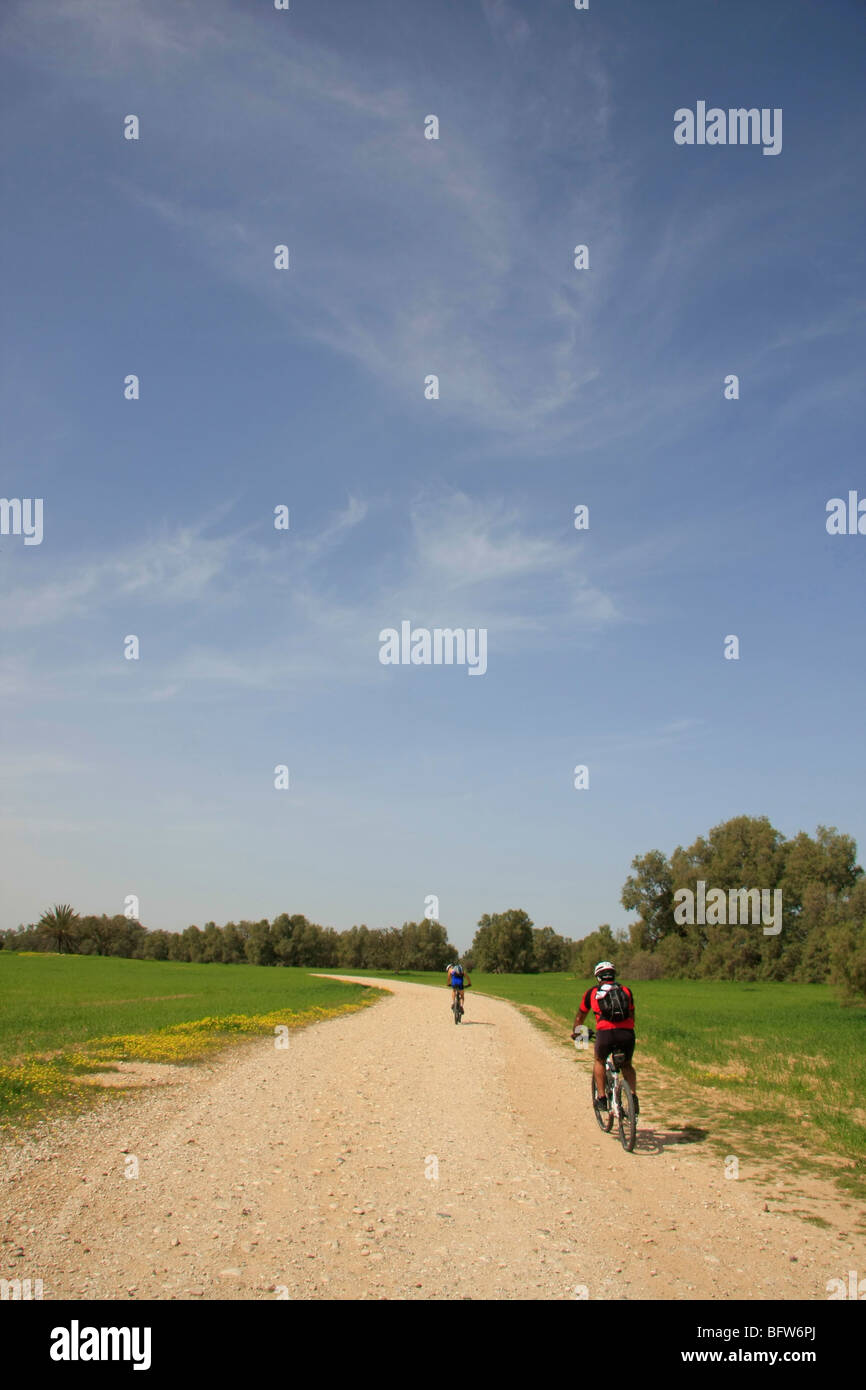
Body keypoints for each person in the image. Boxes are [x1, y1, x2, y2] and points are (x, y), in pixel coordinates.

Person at [571, 960, 639, 1117]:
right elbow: (632, 1015)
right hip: (627, 1033)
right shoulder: (626, 991)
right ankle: (633, 1096)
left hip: (605, 1033)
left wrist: (576, 1032)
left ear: (598, 977)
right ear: (613, 975)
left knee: (599, 1061)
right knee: (627, 1065)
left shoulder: (591, 993)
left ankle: (601, 1098)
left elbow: (580, 1017)